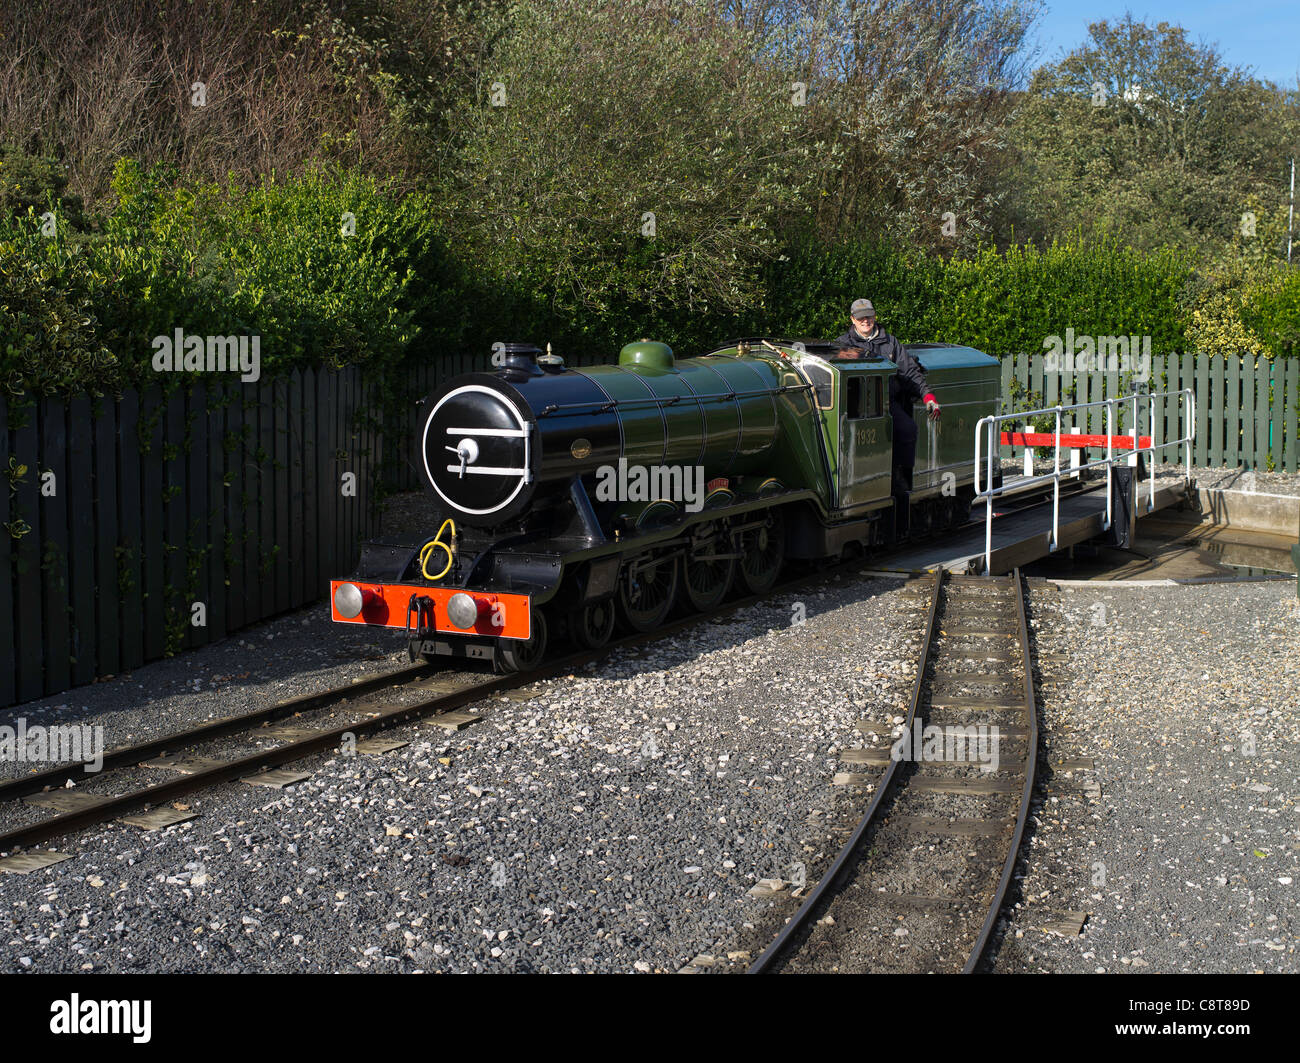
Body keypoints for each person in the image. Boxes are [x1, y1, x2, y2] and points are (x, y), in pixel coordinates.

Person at [833, 297, 940, 504]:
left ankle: (898, 477)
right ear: (852, 320)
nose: (866, 321)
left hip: (886, 405)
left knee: (907, 428)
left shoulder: (891, 342)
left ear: (875, 317)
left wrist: (928, 396)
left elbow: (909, 372)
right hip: (854, 406)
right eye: (861, 317)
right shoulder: (843, 344)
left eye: (869, 317)